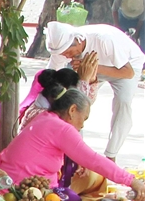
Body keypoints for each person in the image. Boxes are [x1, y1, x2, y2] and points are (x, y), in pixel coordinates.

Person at [0, 74, 145, 201]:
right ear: (72, 110)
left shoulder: (46, 118)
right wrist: (131, 181)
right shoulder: (60, 127)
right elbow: (93, 160)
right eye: (83, 119)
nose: (82, 126)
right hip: (19, 190)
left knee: (86, 184)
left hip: (15, 184)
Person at [44, 20, 145, 161]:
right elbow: (50, 77)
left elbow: (128, 73)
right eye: (63, 54)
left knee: (123, 102)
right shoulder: (62, 47)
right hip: (90, 69)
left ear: (78, 42)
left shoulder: (103, 39)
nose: (66, 56)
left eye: (68, 52)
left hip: (126, 67)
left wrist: (92, 67)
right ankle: (75, 149)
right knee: (72, 102)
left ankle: (111, 155)